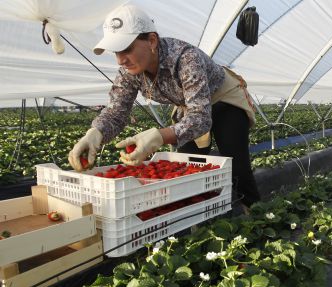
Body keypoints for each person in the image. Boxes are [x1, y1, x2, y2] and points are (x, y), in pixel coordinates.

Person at [67, 4, 261, 208]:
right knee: (185, 167)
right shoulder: (129, 71)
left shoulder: (186, 58)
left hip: (223, 99)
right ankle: (196, 222)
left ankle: (257, 218)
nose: (121, 60)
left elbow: (201, 118)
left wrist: (160, 136)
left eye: (126, 49)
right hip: (189, 107)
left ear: (151, 40)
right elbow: (117, 111)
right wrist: (94, 133)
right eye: (116, 52)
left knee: (237, 167)